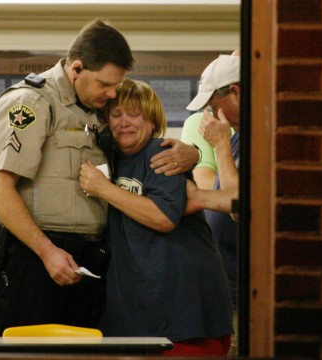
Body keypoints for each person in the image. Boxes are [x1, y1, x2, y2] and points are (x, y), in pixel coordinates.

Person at [0, 19, 194, 336]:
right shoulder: (32, 102)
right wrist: (47, 252)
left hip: (88, 261)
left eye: (116, 85)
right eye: (105, 84)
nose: (112, 94)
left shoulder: (98, 108)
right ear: (77, 68)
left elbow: (136, 149)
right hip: (37, 260)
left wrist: (194, 153)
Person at [79, 79, 233, 357]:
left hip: (186, 314)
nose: (124, 122)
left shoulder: (164, 152)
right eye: (116, 114)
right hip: (134, 314)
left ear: (152, 121)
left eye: (134, 114)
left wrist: (104, 188)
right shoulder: (106, 159)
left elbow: (163, 217)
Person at [184, 52, 242, 358]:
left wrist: (219, 143)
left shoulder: (243, 139)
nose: (210, 114)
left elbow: (236, 206)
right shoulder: (236, 139)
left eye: (213, 105)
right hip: (227, 289)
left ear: (234, 92)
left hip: (245, 293)